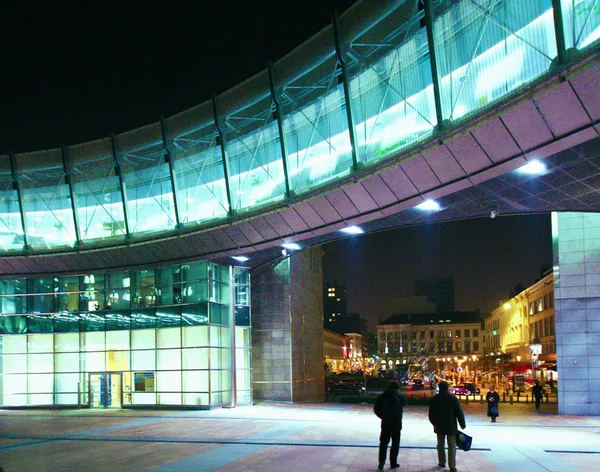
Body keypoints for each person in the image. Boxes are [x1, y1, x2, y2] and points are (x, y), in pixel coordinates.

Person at [428, 381, 466, 472]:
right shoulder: (453, 398)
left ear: (439, 388)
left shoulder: (435, 398)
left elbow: (431, 414)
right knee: (452, 445)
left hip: (439, 425)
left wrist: (434, 423)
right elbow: (459, 412)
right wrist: (462, 424)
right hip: (451, 425)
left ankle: (442, 462)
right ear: (447, 388)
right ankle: (452, 466)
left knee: (440, 444)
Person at [374, 380, 406, 470]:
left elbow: (376, 409)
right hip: (396, 423)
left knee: (383, 443)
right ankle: (393, 462)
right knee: (395, 444)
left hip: (386, 423)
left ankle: (381, 462)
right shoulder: (400, 396)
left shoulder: (382, 396)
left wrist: (382, 416)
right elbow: (404, 404)